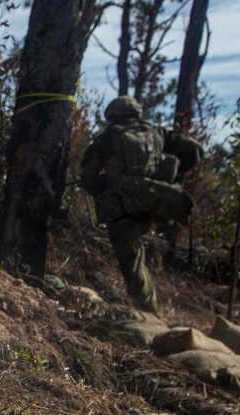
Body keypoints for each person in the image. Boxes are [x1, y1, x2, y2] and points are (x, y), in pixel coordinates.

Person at [80, 95, 202, 316]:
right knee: (138, 254)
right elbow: (194, 150)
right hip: (155, 203)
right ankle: (149, 309)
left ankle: (150, 315)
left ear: (113, 116)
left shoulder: (107, 139)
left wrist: (106, 184)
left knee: (131, 262)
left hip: (123, 209)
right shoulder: (158, 134)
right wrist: (171, 181)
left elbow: (87, 179)